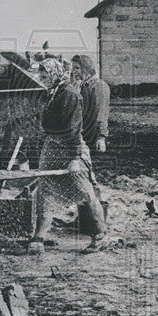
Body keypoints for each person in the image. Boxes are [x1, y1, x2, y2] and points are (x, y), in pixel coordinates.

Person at [28, 57, 107, 254]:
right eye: (41, 74)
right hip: (52, 148)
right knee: (45, 191)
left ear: (55, 73)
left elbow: (73, 128)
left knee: (84, 191)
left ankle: (100, 236)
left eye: (45, 74)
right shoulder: (53, 94)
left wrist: (74, 157)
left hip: (68, 148)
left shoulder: (70, 95)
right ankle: (39, 237)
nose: (42, 77)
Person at [72, 53, 110, 233]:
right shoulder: (83, 86)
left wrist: (102, 136)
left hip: (93, 138)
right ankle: (88, 217)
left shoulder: (99, 86)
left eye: (78, 68)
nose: (74, 72)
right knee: (85, 177)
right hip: (83, 138)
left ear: (86, 68)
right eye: (74, 68)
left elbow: (102, 113)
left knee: (90, 179)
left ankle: (96, 221)